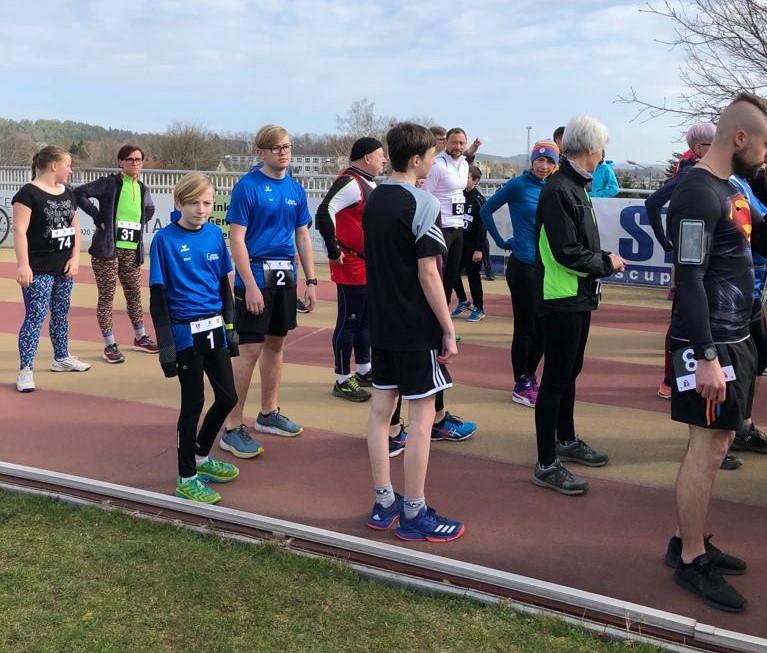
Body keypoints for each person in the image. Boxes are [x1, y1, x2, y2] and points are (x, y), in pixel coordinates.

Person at [664, 92, 767, 613]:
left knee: (721, 441)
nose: (766, 157)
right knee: (707, 448)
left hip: (736, 336)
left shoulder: (732, 189)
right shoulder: (697, 193)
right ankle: (690, 558)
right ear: (741, 138)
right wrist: (705, 356)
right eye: (765, 146)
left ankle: (689, 538)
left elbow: (758, 243)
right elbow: (689, 279)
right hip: (708, 344)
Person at [363, 122, 464, 543]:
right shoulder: (423, 203)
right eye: (432, 157)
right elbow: (428, 273)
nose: (433, 163)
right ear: (417, 159)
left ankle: (384, 500)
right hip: (414, 326)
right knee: (421, 420)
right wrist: (448, 328)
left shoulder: (373, 198)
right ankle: (414, 512)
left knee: (381, 412)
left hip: (382, 322)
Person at [532, 117, 625, 495]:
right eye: (601, 149)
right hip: (561, 296)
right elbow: (567, 251)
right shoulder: (560, 189)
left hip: (577, 293)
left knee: (570, 371)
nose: (602, 156)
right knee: (556, 378)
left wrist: (602, 259)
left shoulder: (574, 186)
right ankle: (545, 462)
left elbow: (577, 244)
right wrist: (606, 262)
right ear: (590, 150)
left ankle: (565, 439)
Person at [222, 124, 317, 455]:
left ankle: (268, 413)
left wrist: (311, 281)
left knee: (276, 345)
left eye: (287, 146)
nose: (284, 152)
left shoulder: (295, 189)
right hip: (256, 277)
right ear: (261, 152)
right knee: (249, 351)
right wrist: (249, 284)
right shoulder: (247, 187)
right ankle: (232, 425)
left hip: (284, 277)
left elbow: (302, 235)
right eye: (277, 147)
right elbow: (236, 239)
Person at [148, 173, 240, 504]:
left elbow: (223, 287)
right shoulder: (164, 240)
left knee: (228, 397)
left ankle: (201, 456)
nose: (201, 209)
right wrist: (166, 348)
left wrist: (231, 329)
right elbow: (157, 299)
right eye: (194, 203)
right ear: (178, 203)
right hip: (184, 333)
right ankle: (186, 477)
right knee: (194, 403)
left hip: (214, 328)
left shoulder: (214, 234)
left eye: (207, 203)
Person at [481, 140, 559, 407]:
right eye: (540, 160)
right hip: (523, 265)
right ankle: (521, 383)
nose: (544, 166)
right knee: (526, 327)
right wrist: (501, 242)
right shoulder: (518, 185)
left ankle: (530, 375)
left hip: (547, 267)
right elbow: (486, 210)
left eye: (550, 161)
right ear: (532, 161)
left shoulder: (553, 187)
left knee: (545, 327)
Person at [646, 123, 716, 400]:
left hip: (712, 264)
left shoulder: (719, 173)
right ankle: (669, 380)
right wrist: (666, 243)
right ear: (699, 149)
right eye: (715, 143)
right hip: (691, 264)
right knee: (683, 319)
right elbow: (652, 202)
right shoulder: (690, 173)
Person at [316, 137, 387, 402]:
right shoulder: (350, 182)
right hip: (351, 264)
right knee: (349, 320)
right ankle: (342, 378)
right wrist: (333, 250)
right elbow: (324, 211)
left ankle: (364, 369)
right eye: (380, 155)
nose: (384, 159)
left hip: (366, 263)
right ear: (367, 157)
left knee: (365, 319)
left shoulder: (367, 182)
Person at [13, 145, 90, 392]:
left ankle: (62, 357)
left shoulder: (67, 192)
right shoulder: (28, 194)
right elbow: (19, 230)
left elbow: (75, 226)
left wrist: (75, 258)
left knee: (60, 313)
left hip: (63, 267)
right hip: (38, 269)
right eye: (68, 165)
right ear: (54, 165)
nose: (70, 170)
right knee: (35, 316)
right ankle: (26, 369)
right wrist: (23, 265)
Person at [74, 145, 158, 363]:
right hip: (107, 251)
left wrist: (139, 223)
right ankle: (109, 344)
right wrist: (97, 217)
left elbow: (149, 209)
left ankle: (140, 337)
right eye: (129, 159)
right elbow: (79, 193)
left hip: (131, 251)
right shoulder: (108, 183)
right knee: (107, 297)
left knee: (134, 295)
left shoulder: (142, 188)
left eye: (138, 159)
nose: (134, 163)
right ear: (120, 162)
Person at [423, 127, 469, 307]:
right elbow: (425, 195)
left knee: (452, 274)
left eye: (461, 143)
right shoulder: (438, 165)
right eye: (454, 142)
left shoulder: (464, 164)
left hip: (458, 226)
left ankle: (445, 311)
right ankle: (432, 314)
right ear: (445, 143)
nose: (458, 146)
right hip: (441, 227)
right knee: (438, 274)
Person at [452, 165, 487, 322]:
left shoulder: (479, 200)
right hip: (459, 242)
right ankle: (463, 300)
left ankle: (479, 308)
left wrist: (479, 249)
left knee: (473, 277)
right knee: (451, 272)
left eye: (466, 177)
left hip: (473, 245)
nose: (462, 179)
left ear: (475, 181)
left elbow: (482, 226)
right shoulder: (458, 195)